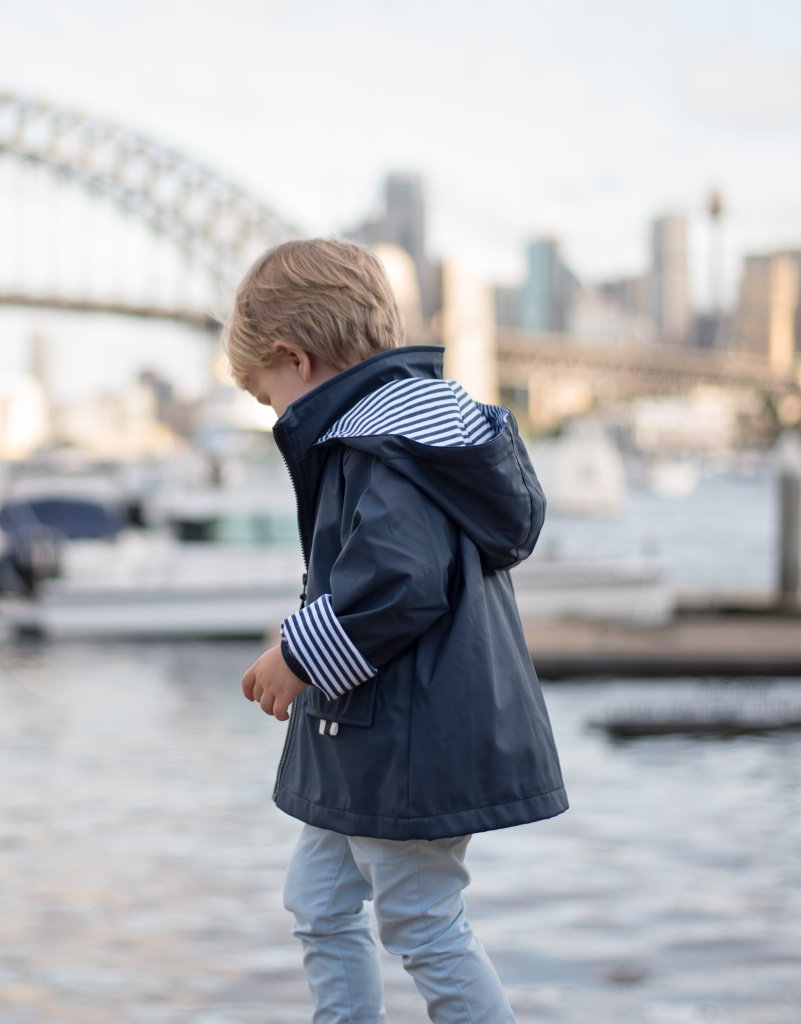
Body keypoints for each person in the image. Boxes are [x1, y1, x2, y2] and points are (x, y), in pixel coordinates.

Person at [223, 238, 567, 1024]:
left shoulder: (380, 446)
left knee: (421, 917)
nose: (275, 414)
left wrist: (298, 657)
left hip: (407, 738)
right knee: (319, 899)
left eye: (266, 394)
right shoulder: (409, 432)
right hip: (372, 733)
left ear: (296, 359)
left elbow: (398, 580)